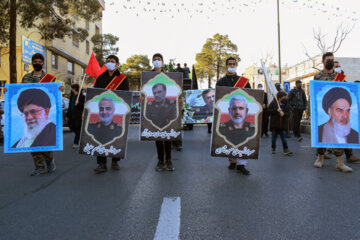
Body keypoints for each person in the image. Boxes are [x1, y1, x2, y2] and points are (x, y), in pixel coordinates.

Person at [313, 52, 352, 172]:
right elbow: (315, 92)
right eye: (328, 59)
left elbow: (345, 90)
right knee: (321, 134)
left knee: (338, 134)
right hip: (322, 108)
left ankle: (340, 163)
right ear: (323, 61)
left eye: (332, 59)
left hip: (337, 110)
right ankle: (319, 158)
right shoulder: (317, 76)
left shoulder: (339, 77)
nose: (330, 61)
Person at [20, 53, 57, 176]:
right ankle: (39, 166)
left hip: (42, 114)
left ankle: (49, 160)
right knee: (33, 141)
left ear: (43, 63)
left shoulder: (49, 78)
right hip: (30, 113)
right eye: (35, 61)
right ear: (32, 63)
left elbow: (53, 94)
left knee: (45, 141)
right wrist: (8, 90)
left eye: (39, 61)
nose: (37, 63)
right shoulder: (26, 78)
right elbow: (19, 91)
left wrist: (60, 90)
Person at [92, 54, 129, 174]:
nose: (109, 63)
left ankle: (115, 160)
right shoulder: (100, 78)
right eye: (107, 61)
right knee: (100, 136)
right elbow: (95, 94)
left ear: (117, 64)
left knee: (115, 135)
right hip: (102, 112)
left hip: (116, 111)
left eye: (112, 61)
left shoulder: (123, 78)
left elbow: (125, 96)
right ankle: (101, 163)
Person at [216, 56, 251, 175]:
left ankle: (241, 164)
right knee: (230, 138)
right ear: (226, 66)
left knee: (243, 137)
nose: (232, 66)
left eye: (233, 64)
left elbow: (251, 95)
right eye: (230, 64)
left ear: (236, 65)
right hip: (228, 114)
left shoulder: (244, 81)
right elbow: (218, 98)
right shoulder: (221, 82)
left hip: (242, 114)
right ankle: (232, 160)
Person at [66, 84, 85, 148]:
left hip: (78, 116)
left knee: (78, 129)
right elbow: (69, 106)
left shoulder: (81, 96)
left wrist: (78, 103)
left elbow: (84, 106)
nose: (71, 89)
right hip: (71, 116)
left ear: (74, 89)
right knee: (72, 128)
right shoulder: (72, 96)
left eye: (72, 88)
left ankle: (76, 142)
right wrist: (67, 115)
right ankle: (80, 136)